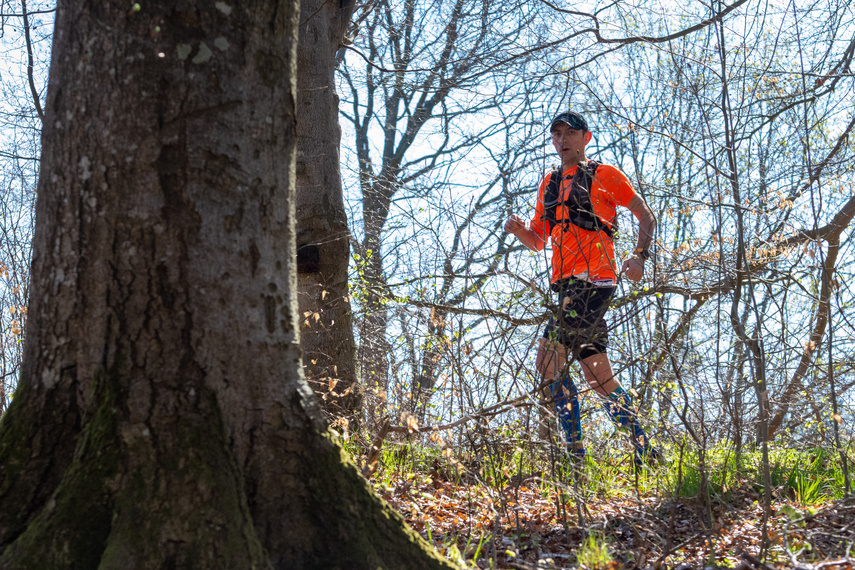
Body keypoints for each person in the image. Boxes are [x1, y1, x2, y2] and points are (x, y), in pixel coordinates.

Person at [504, 110, 661, 466]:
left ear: (586, 137)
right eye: (556, 134)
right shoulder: (549, 183)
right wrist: (518, 231)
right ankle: (647, 451)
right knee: (597, 376)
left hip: (595, 281)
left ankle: (575, 455)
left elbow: (645, 214)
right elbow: (538, 241)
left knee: (548, 364)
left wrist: (639, 256)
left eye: (569, 133)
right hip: (565, 287)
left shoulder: (605, 175)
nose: (562, 141)